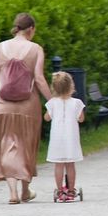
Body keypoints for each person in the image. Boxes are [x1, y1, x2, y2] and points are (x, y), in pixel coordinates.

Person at [0, 12, 52, 204]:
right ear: (31, 29)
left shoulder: (0, 47)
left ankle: (13, 193)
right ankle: (25, 190)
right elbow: (39, 79)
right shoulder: (35, 49)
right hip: (28, 105)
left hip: (3, 104)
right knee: (26, 146)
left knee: (7, 145)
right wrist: (52, 102)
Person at [44, 71, 85, 201]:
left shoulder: (52, 103)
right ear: (71, 86)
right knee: (70, 165)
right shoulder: (77, 102)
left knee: (59, 165)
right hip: (71, 138)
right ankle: (71, 191)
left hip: (57, 139)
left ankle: (60, 191)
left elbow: (47, 118)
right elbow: (81, 119)